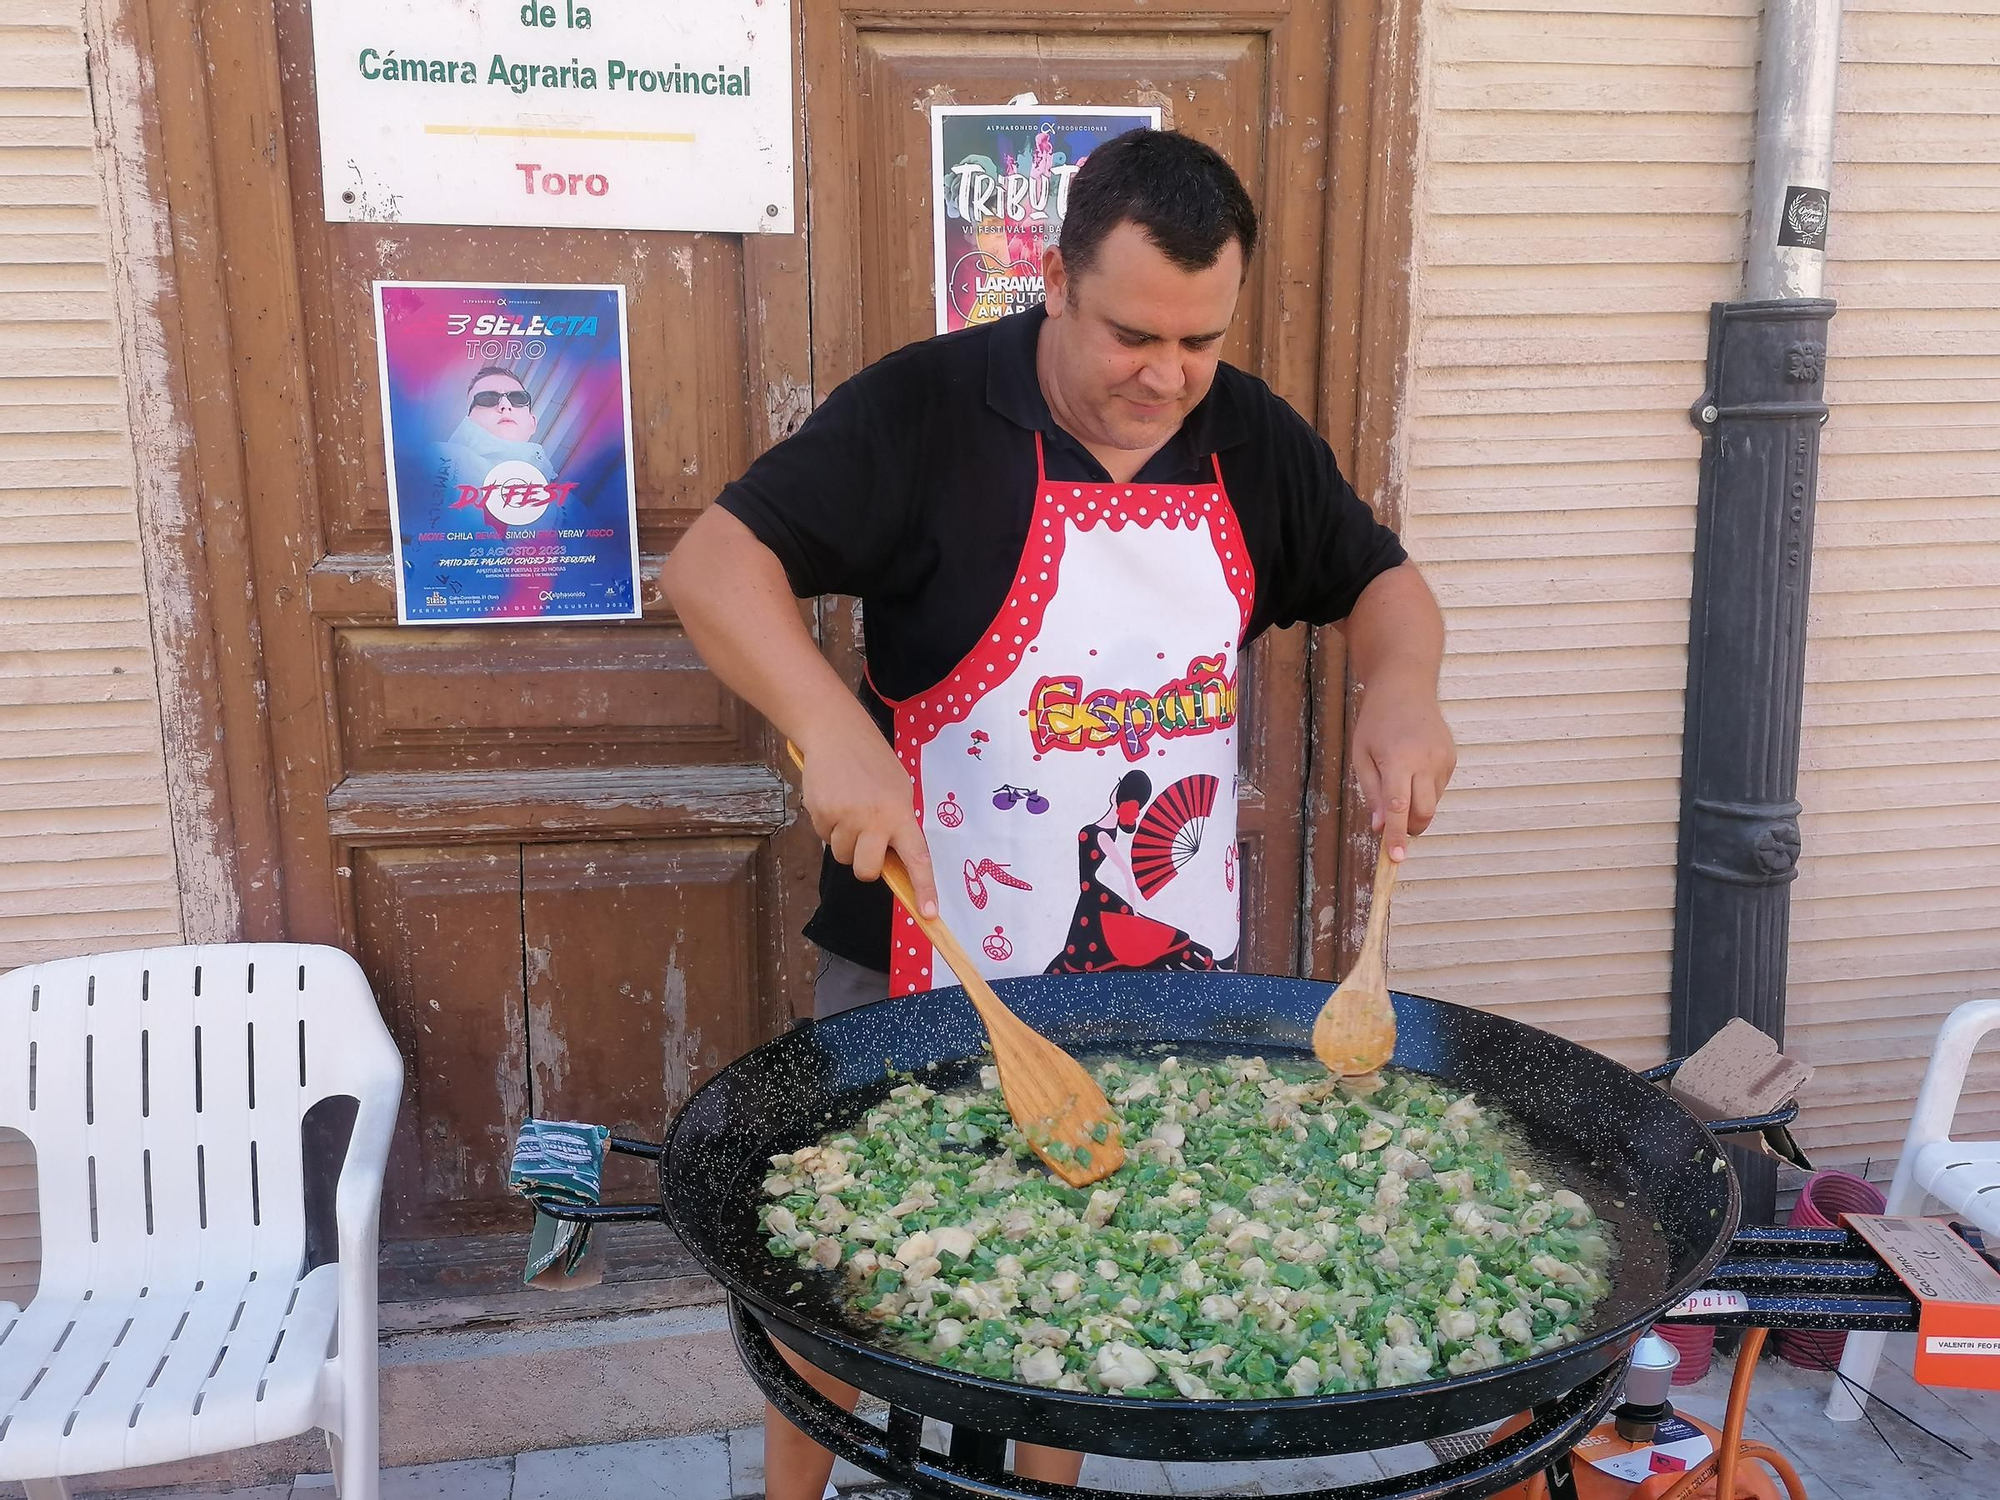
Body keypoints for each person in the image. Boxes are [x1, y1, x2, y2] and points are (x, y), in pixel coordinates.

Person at [663, 129, 1456, 1499]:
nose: (1167, 376)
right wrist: (833, 728)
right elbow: (714, 565)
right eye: (1133, 334)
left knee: (1099, 1255)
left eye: (1201, 340)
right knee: (846, 1263)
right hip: (923, 940)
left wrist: (1406, 691)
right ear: (1053, 280)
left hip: (1158, 965)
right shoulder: (924, 411)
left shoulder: (1249, 434)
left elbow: (1385, 584)